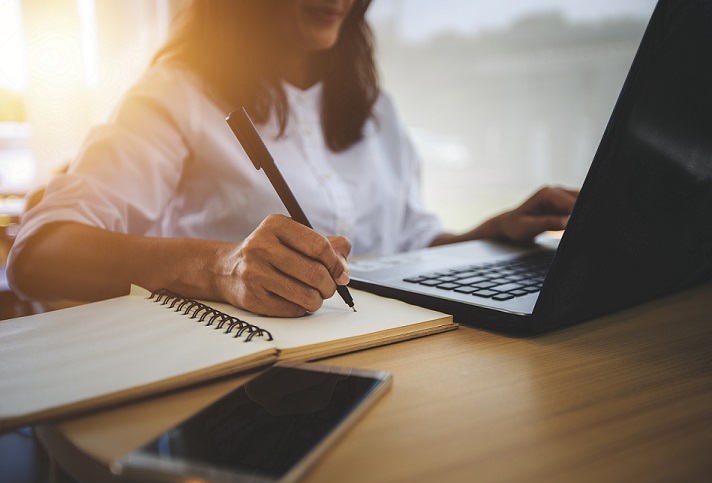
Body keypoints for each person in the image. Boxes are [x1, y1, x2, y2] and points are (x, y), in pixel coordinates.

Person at [7, 0, 578, 318]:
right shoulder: (173, 95)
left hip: (391, 358)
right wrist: (221, 267)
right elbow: (37, 254)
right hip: (244, 388)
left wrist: (495, 231)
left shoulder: (375, 110)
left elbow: (404, 244)